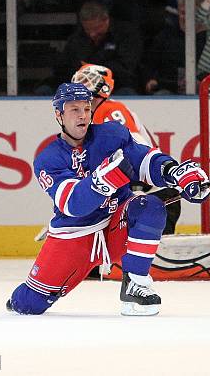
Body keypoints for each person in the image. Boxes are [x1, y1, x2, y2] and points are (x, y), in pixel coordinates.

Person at [6, 82, 210, 316]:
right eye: (74, 109)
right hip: (76, 235)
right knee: (30, 304)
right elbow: (73, 204)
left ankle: (135, 284)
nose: (82, 115)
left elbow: (144, 161)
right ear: (59, 114)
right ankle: (22, 297)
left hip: (116, 224)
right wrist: (103, 180)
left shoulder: (112, 135)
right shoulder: (48, 159)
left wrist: (173, 173)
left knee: (150, 206)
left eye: (86, 108)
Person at [71, 63, 182, 280]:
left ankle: (141, 265)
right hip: (133, 192)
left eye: (87, 79)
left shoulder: (111, 109)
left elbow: (134, 150)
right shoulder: (87, 116)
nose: (80, 84)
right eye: (79, 78)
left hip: (151, 194)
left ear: (103, 86)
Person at [42, 1, 141, 95]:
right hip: (81, 86)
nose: (92, 34)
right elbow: (65, 66)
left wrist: (94, 70)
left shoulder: (126, 35)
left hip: (115, 85)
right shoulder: (77, 39)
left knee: (127, 92)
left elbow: (127, 67)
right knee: (46, 89)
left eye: (96, 28)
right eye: (88, 29)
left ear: (106, 20)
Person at [143, 0, 207, 94]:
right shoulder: (166, 35)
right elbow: (149, 63)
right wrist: (150, 79)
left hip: (202, 92)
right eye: (183, 13)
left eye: (192, 13)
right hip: (167, 89)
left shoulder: (209, 39)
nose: (186, 17)